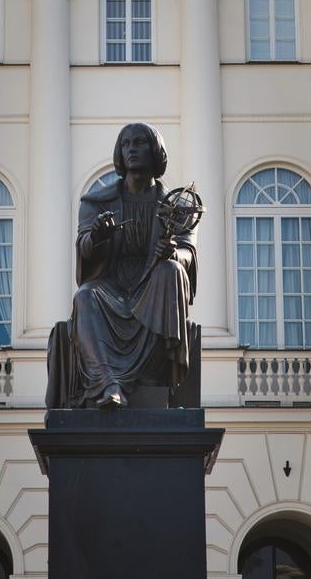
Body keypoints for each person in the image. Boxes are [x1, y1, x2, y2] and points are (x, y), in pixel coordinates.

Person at [48, 122, 198, 408]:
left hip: (154, 288)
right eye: (126, 144)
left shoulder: (176, 205)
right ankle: (109, 384)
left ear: (156, 151)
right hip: (111, 289)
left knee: (172, 271)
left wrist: (173, 254)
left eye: (140, 142)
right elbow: (84, 249)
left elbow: (188, 251)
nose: (132, 149)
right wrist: (98, 237)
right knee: (85, 297)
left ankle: (159, 379)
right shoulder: (96, 202)